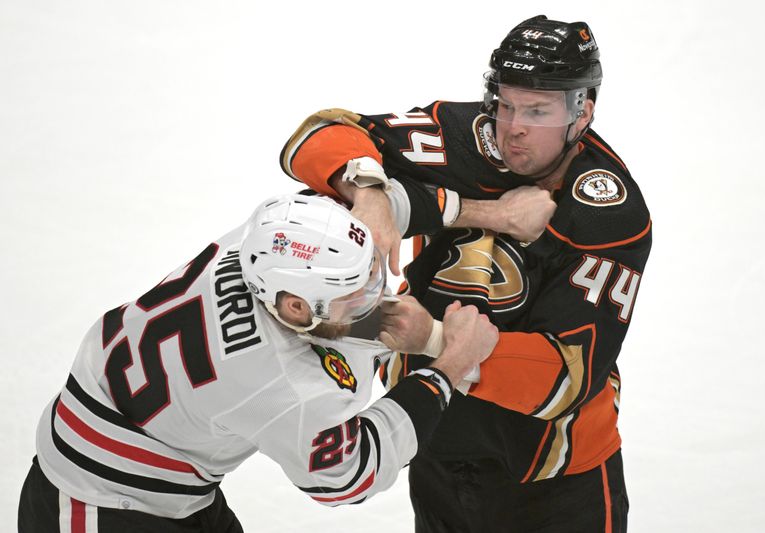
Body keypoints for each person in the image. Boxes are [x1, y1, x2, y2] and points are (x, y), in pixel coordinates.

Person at [279, 15, 652, 532]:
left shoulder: (607, 213)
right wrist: (367, 188)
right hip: (436, 441)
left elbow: (571, 375)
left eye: (538, 110)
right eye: (505, 103)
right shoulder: (459, 137)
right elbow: (320, 134)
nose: (513, 126)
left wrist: (431, 339)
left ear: (582, 112)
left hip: (555, 478)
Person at [18, 193, 498, 532]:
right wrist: (449, 365)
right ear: (294, 307)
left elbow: (340, 214)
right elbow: (346, 474)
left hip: (159, 472)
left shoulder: (271, 237)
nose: (377, 302)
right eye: (355, 297)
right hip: (100, 504)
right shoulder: (284, 382)